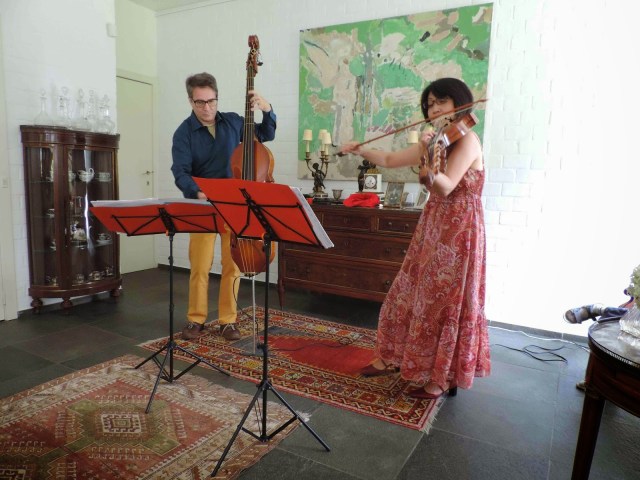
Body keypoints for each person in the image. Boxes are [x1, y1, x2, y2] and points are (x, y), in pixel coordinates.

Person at [341, 77, 490, 399]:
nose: (434, 109)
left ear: (459, 102)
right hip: (433, 225)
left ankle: (441, 377)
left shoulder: (467, 140)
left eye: (441, 102)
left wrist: (426, 154)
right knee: (407, 291)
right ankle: (392, 357)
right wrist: (360, 149)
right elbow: (391, 160)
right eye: (429, 104)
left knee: (443, 302)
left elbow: (445, 186)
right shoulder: (439, 141)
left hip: (459, 231)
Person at [171, 72, 276, 340]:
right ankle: (196, 319)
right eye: (200, 102)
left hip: (233, 206)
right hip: (203, 207)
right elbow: (180, 172)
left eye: (211, 101)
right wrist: (197, 191)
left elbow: (265, 134)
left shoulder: (233, 121)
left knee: (233, 265)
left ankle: (228, 321)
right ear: (191, 101)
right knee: (200, 266)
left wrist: (267, 110)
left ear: (217, 98)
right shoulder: (183, 133)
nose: (207, 107)